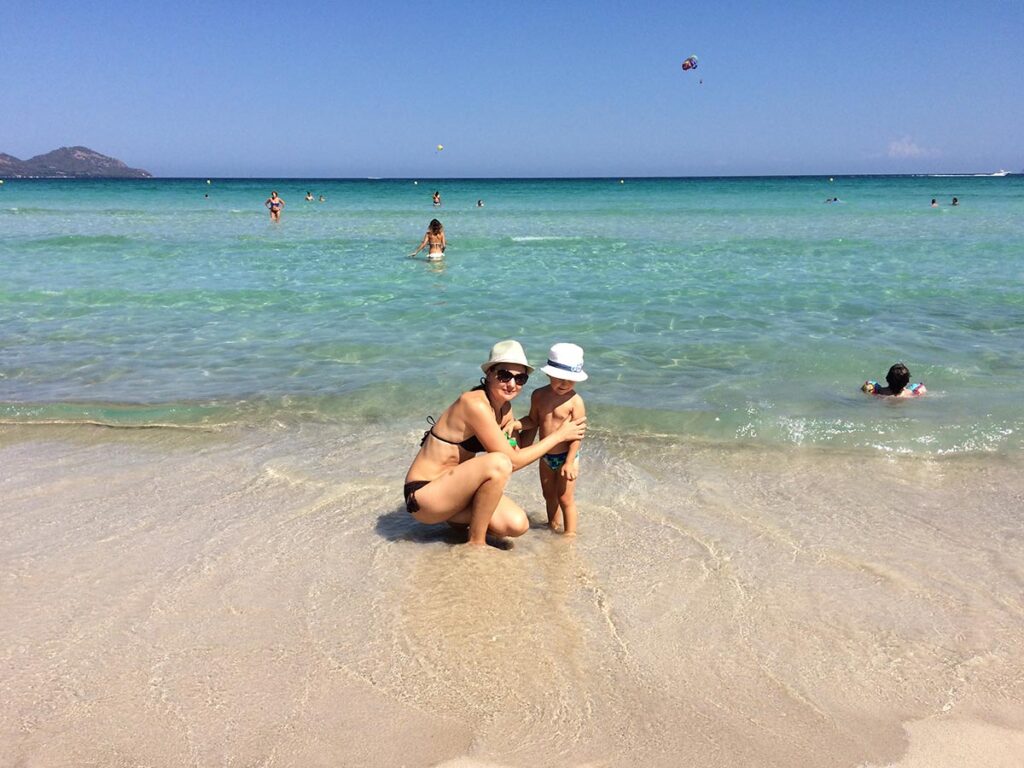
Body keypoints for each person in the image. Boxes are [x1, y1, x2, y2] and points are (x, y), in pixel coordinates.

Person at [403, 340, 587, 546]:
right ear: (489, 373)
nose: (512, 384)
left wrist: (536, 417)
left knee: (517, 524)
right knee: (499, 463)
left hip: (456, 492)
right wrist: (559, 436)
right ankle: (476, 543)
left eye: (520, 378)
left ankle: (456, 524)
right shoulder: (473, 404)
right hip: (425, 496)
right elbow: (512, 462)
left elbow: (520, 452)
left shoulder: (504, 410)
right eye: (504, 375)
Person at [519, 343, 588, 535]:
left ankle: (570, 534)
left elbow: (577, 434)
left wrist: (569, 462)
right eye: (560, 378)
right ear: (549, 374)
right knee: (549, 495)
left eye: (571, 380)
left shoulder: (575, 402)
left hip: (567, 456)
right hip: (546, 455)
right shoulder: (539, 395)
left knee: (565, 498)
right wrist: (517, 425)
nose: (565, 384)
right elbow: (533, 420)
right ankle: (552, 525)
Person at [862, 363, 927, 397]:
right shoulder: (912, 394)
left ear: (887, 378)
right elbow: (922, 388)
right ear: (907, 382)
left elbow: (866, 387)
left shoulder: (878, 392)